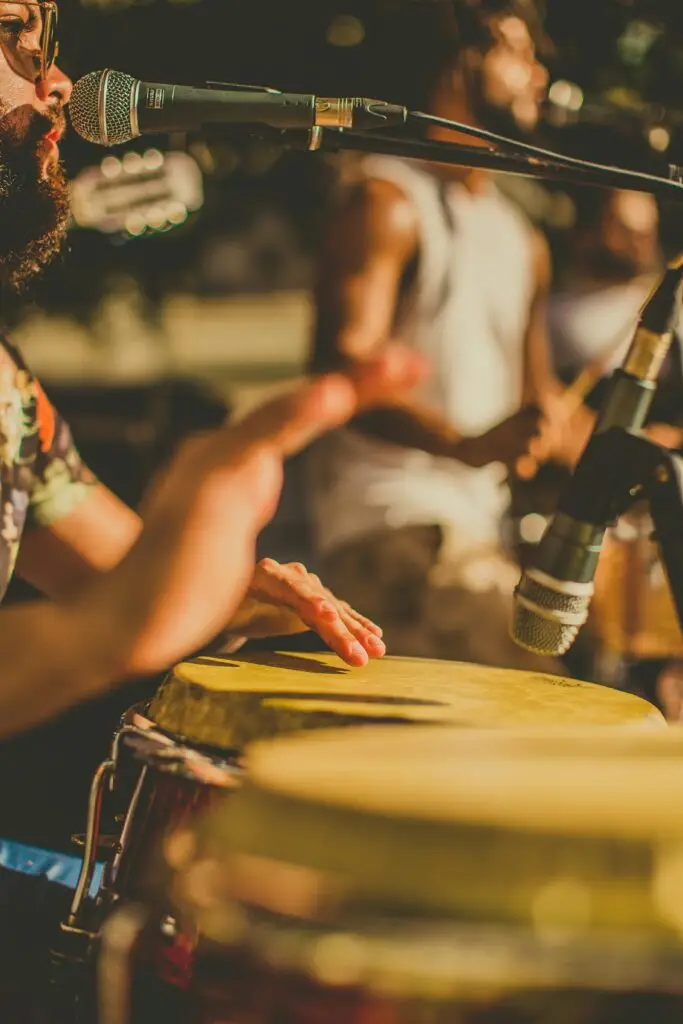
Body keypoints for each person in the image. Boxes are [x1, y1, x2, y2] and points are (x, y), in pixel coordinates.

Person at [0, 2, 424, 1008]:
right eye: (16, 38)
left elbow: (123, 569)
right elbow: (119, 610)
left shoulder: (6, 392)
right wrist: (110, 629)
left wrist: (233, 585)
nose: (58, 84)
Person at [307, 0, 586, 671]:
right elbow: (343, 371)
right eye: (516, 54)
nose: (537, 76)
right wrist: (463, 446)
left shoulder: (520, 237)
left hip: (473, 537)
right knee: (549, 715)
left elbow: (539, 404)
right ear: (459, 63)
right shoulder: (386, 201)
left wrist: (644, 453)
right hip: (391, 531)